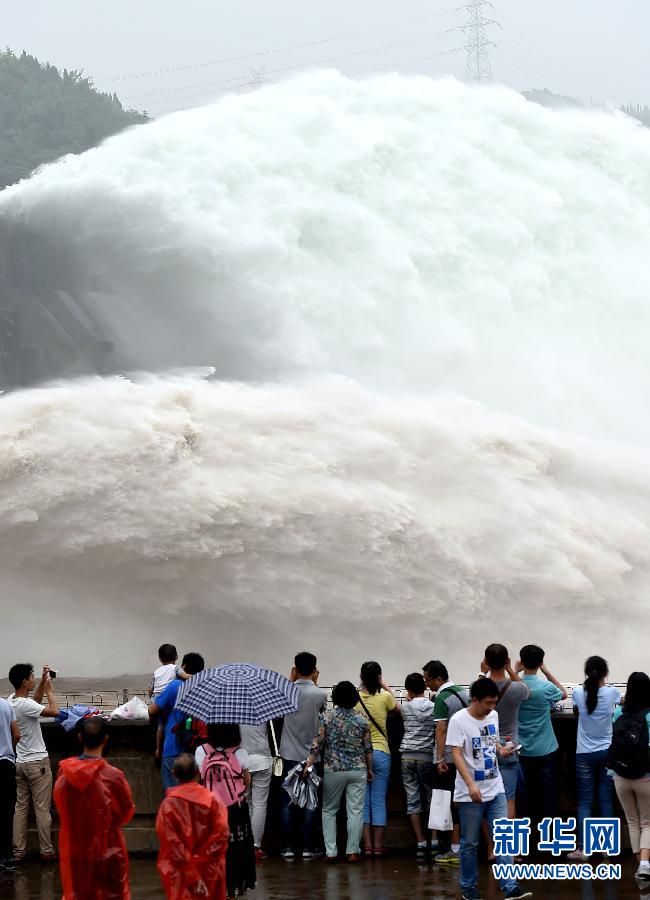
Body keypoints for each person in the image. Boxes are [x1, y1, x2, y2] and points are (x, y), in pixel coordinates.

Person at [447, 677, 532, 900]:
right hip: (470, 793)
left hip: (496, 788)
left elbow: (491, 740)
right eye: (487, 703)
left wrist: (501, 750)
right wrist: (470, 784)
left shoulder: (492, 715)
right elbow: (456, 754)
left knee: (503, 838)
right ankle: (468, 888)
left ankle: (510, 887)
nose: (492, 707)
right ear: (474, 700)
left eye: (494, 703)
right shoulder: (459, 721)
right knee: (470, 843)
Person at [54, 717, 135, 900]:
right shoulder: (113, 777)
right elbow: (126, 813)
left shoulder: (64, 776)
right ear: (106, 739)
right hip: (109, 851)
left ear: (80, 738)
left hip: (75, 851)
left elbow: (62, 810)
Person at [303, 681, 374, 863]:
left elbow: (317, 744)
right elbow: (368, 748)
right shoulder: (362, 719)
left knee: (329, 810)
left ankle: (331, 852)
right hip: (358, 769)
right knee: (355, 811)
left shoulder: (327, 717)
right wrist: (370, 769)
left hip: (333, 769)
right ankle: (352, 851)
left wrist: (308, 765)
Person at [156, 753, 230, 900]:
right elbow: (221, 836)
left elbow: (173, 845)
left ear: (174, 774)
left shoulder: (168, 806)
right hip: (211, 870)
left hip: (180, 873)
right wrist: (200, 866)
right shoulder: (214, 802)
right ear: (198, 772)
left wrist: (191, 871)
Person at [568, 655, 620, 860]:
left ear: (586, 673)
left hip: (584, 753)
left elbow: (576, 713)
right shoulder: (612, 693)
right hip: (607, 752)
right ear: (605, 673)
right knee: (606, 799)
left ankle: (583, 849)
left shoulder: (578, 693)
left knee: (584, 802)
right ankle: (607, 847)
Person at [196, 724, 256, 897]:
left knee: (212, 848)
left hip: (210, 809)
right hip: (235, 810)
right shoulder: (240, 753)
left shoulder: (201, 751)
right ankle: (235, 886)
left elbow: (200, 778)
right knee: (236, 848)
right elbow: (246, 781)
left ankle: (212, 885)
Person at [8, 663, 59, 862]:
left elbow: (34, 702)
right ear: (23, 681)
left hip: (20, 763)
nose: (34, 679)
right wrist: (49, 690)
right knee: (42, 809)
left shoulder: (12, 701)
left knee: (20, 809)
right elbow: (54, 711)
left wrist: (41, 686)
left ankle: (18, 852)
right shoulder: (24, 705)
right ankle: (46, 851)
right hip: (38, 763)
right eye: (31, 677)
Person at [278, 651, 327, 859]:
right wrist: (314, 683)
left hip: (289, 752)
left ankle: (288, 846)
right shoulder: (321, 694)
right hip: (312, 756)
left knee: (287, 801)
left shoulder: (285, 691)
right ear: (315, 670)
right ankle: (308, 847)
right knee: (311, 801)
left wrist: (291, 680)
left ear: (295, 668)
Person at [515, 645, 566, 839]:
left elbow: (498, 690)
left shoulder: (515, 686)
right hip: (545, 748)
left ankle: (524, 832)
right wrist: (545, 670)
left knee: (522, 793)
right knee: (547, 792)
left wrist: (515, 670)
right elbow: (563, 693)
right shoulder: (545, 688)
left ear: (521, 660)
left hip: (520, 749)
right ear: (540, 662)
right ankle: (549, 833)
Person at [424, 659, 469, 866]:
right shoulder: (465, 693)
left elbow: (440, 729)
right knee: (463, 801)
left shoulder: (442, 698)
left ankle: (455, 848)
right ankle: (465, 847)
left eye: (428, 680)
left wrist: (439, 758)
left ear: (438, 679)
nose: (427, 684)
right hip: (466, 755)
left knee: (450, 802)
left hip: (449, 758)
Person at [356, 660, 400, 856]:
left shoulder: (356, 698)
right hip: (382, 752)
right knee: (379, 801)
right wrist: (384, 685)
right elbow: (399, 709)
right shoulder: (384, 698)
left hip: (361, 755)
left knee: (363, 802)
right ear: (379, 677)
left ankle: (366, 846)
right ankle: (378, 846)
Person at [609, 671, 650, 881]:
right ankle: (644, 865)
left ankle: (641, 868)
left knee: (633, 822)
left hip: (620, 775)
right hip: (646, 775)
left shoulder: (618, 713)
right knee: (648, 822)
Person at [482, 645, 530, 820]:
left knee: (486, 798)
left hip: (486, 747)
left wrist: (482, 673)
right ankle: (508, 844)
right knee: (509, 799)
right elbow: (528, 692)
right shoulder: (517, 689)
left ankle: (491, 846)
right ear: (507, 661)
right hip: (509, 747)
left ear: (486, 662)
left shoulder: (479, 688)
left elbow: (472, 695)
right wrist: (511, 670)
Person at [148, 652, 205, 791]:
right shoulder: (204, 687)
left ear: (183, 666)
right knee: (194, 795)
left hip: (174, 746)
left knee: (174, 795)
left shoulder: (175, 686)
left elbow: (152, 711)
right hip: (197, 750)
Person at [399, 672, 436, 857]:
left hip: (407, 756)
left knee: (413, 801)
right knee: (432, 799)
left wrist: (408, 700)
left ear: (408, 690)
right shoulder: (434, 707)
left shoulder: (405, 708)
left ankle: (421, 842)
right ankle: (435, 840)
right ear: (425, 687)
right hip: (427, 757)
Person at [149, 644, 190, 761]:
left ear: (160, 659)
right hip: (169, 699)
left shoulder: (156, 671)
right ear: (176, 656)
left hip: (157, 700)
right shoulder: (176, 668)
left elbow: (150, 689)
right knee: (170, 722)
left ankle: (158, 749)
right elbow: (185, 676)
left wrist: (152, 699)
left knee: (160, 727)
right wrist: (197, 677)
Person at [240, 724, 273, 861]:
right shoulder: (262, 706)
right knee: (259, 804)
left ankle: (245, 841)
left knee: (246, 802)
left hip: (241, 759)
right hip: (263, 758)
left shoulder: (233, 708)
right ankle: (255, 845)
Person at [0, 697, 20, 871]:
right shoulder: (6, 705)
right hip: (6, 764)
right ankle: (7, 857)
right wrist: (10, 752)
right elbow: (17, 733)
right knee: (6, 812)